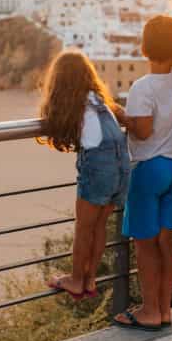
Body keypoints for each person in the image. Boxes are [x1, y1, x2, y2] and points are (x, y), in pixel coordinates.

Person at [39, 50, 131, 300]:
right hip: (122, 163)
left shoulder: (73, 105)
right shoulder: (98, 100)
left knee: (84, 227)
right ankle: (90, 279)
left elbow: (58, 125)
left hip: (100, 166)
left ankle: (77, 279)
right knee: (99, 225)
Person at [113, 15, 172, 331]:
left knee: (144, 245)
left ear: (143, 48)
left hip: (148, 169)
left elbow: (142, 131)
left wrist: (121, 116)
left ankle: (149, 310)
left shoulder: (142, 87)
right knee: (165, 243)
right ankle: (165, 309)